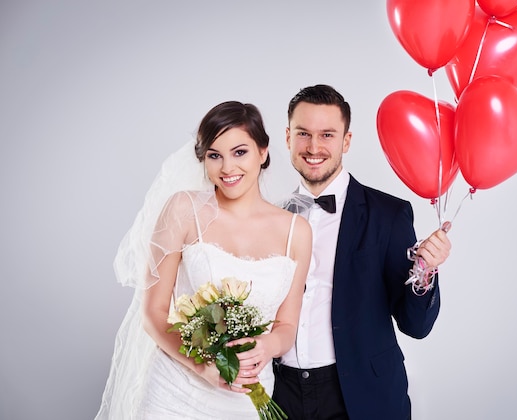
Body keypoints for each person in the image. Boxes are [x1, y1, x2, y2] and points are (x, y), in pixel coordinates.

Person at [96, 101, 312, 419]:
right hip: (174, 395)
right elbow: (153, 313)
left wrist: (266, 346)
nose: (227, 168)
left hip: (247, 397)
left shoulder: (297, 231)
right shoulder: (183, 210)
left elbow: (288, 324)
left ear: (263, 152)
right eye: (214, 155)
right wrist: (203, 366)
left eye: (240, 152)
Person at [272, 84, 452, 419]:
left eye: (327, 134)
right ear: (287, 137)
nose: (314, 147)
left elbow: (415, 325)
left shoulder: (388, 214)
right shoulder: (270, 216)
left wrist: (425, 269)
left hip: (360, 396)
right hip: (279, 396)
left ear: (347, 141)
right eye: (303, 134)